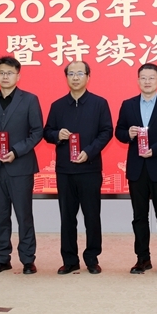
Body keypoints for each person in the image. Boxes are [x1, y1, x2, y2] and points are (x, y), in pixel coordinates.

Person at [43, 61, 113, 275]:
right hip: (65, 170)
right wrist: (57, 135)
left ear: (88, 77)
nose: (75, 77)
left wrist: (89, 151)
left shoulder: (99, 103)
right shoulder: (57, 105)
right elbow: (47, 132)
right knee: (67, 217)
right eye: (71, 74)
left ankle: (92, 258)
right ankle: (70, 260)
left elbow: (106, 132)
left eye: (80, 73)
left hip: (90, 169)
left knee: (92, 216)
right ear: (66, 77)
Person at [0, 56, 44, 275]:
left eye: (10, 73)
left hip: (21, 166)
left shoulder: (30, 100)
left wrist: (16, 151)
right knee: (0, 216)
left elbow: (37, 132)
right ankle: (2, 257)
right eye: (2, 73)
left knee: (24, 215)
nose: (5, 76)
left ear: (18, 76)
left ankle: (27, 259)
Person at [115, 63, 157, 275]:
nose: (147, 81)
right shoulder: (128, 105)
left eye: (151, 78)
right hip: (137, 169)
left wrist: (156, 150)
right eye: (143, 78)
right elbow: (118, 132)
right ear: (138, 81)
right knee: (139, 216)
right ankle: (142, 259)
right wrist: (128, 134)